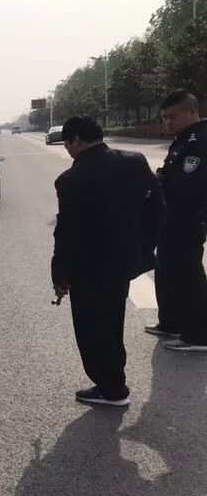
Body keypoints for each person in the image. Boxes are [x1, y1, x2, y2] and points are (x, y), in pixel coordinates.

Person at [52, 116, 164, 406]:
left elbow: (67, 233)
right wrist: (143, 246)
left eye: (67, 143)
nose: (68, 149)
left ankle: (111, 388)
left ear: (77, 139)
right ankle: (114, 382)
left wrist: (59, 274)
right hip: (123, 262)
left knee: (92, 329)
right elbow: (156, 208)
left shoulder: (71, 180)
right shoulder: (134, 162)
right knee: (113, 321)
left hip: (88, 269)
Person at [145, 90, 207, 352]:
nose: (168, 122)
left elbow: (187, 186)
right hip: (170, 219)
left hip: (187, 220)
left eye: (173, 116)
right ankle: (171, 322)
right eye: (164, 118)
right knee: (167, 270)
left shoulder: (199, 140)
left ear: (192, 112)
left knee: (188, 275)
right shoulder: (183, 139)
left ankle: (199, 334)